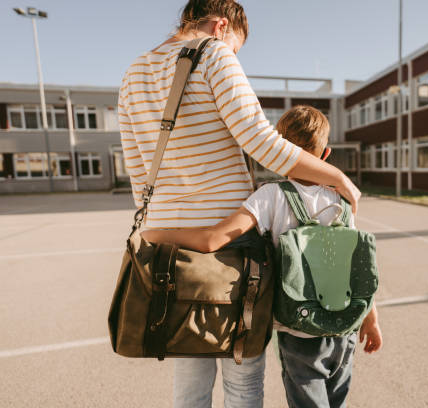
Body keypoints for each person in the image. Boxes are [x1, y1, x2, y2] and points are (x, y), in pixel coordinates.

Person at [119, 1, 361, 406]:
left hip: (170, 250)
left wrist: (156, 228)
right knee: (242, 381)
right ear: (221, 26)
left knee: (189, 382)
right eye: (237, 48)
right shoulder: (214, 53)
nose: (234, 57)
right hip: (230, 249)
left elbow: (138, 170)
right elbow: (261, 141)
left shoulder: (133, 73)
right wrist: (336, 177)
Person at [145, 105, 383, 408]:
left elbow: (213, 240)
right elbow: (356, 264)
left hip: (299, 330)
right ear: (326, 155)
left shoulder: (272, 195)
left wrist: (157, 234)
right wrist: (371, 319)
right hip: (345, 326)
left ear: (277, 151)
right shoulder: (341, 199)